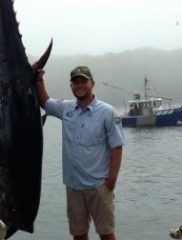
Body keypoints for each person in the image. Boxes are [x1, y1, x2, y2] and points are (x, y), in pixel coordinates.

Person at [34, 66, 125, 240]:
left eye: (84, 81)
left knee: (106, 233)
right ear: (71, 86)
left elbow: (117, 147)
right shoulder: (66, 108)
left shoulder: (108, 112)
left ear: (92, 83)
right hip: (73, 186)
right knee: (79, 234)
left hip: (99, 186)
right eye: (75, 82)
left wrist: (111, 182)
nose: (80, 85)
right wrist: (38, 79)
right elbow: (44, 101)